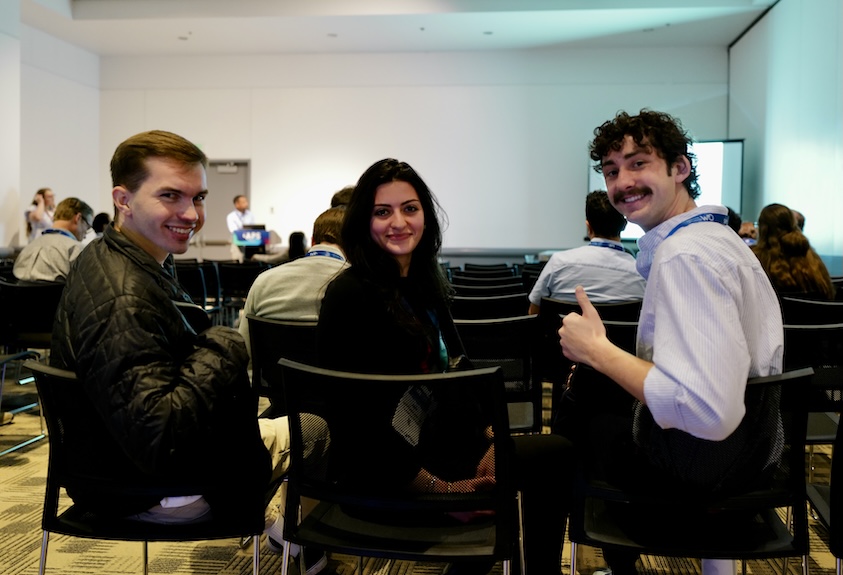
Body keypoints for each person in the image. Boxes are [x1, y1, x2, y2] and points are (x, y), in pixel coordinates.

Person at [48, 131, 326, 571]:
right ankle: (295, 540)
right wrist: (222, 343)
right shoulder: (124, 294)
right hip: (151, 490)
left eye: (198, 198)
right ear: (123, 199)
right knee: (317, 427)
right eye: (171, 196)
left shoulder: (109, 258)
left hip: (110, 467)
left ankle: (283, 532)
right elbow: (159, 439)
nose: (191, 214)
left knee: (275, 421)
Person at [317, 158, 570, 575]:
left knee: (554, 454)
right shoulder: (350, 296)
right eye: (383, 212)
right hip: (385, 478)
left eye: (410, 208)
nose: (398, 222)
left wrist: (491, 439)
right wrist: (444, 491)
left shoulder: (420, 282)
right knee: (538, 469)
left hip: (438, 448)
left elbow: (461, 372)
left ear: (426, 216)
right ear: (364, 221)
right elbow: (360, 424)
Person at [558, 110, 784, 575]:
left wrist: (596, 349)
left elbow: (706, 411)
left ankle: (620, 559)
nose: (622, 182)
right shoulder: (722, 241)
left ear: (680, 168)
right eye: (611, 170)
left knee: (575, 421)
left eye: (638, 163)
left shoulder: (685, 256)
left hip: (706, 465)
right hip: (760, 448)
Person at [239, 207, 348, 354]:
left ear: (312, 241)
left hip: (272, 377)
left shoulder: (264, 282)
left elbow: (244, 351)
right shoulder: (364, 286)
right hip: (335, 377)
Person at [527, 190, 645, 314]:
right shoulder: (642, 275)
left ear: (588, 227)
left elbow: (533, 313)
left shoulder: (559, 262)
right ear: (624, 226)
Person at [752, 203, 834, 300]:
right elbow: (828, 293)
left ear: (763, 229)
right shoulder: (812, 259)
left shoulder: (754, 259)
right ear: (793, 224)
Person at [13, 197, 94, 282]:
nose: (85, 236)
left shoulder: (28, 248)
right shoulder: (77, 249)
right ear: (78, 218)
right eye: (87, 227)